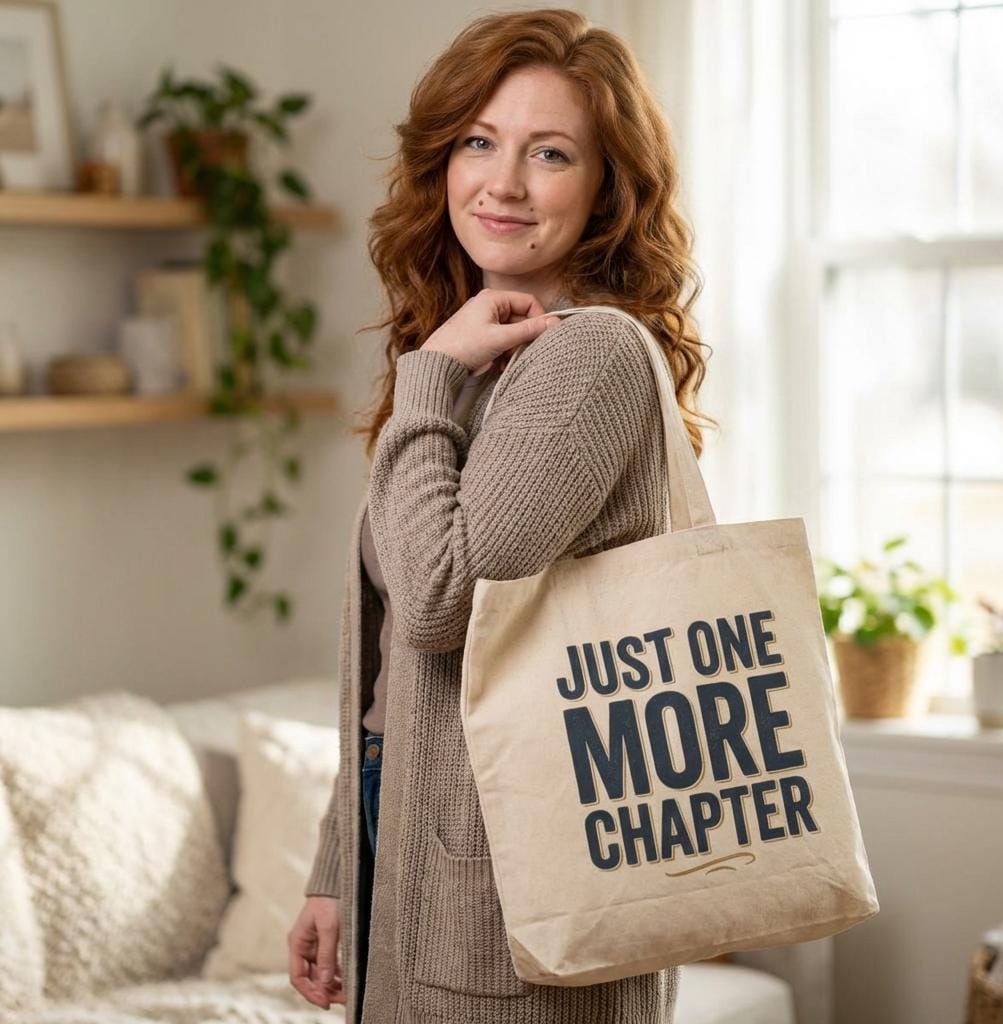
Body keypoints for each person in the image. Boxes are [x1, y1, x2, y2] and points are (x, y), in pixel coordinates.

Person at [287, 7, 716, 1022]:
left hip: (510, 894)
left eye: (551, 153)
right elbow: (401, 658)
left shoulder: (588, 355)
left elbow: (441, 604)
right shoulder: (482, 355)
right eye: (479, 142)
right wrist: (337, 862)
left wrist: (426, 372)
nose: (503, 182)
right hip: (412, 838)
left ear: (608, 188)